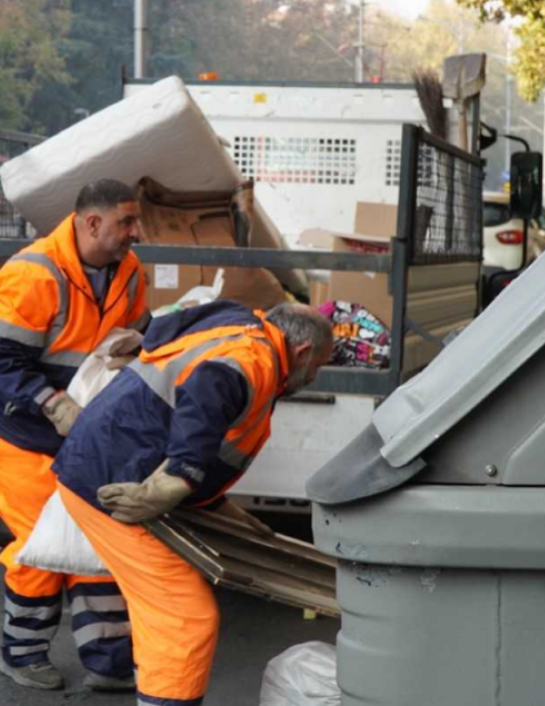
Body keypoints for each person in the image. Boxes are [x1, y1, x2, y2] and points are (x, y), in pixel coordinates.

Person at [52, 301, 334, 706]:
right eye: (318, 365)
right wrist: (177, 479)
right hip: (118, 485)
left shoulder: (243, 325)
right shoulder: (252, 358)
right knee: (184, 617)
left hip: (111, 467)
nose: (315, 376)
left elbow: (183, 329)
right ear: (303, 351)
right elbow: (206, 394)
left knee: (164, 608)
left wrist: (216, 507)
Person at [0, 179, 151, 692]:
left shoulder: (128, 271)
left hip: (77, 427)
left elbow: (135, 330)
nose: (138, 232)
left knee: (96, 534)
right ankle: (21, 654)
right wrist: (52, 401)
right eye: (127, 222)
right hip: (14, 429)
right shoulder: (34, 273)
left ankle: (109, 663)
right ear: (92, 224)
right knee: (43, 543)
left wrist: (141, 348)